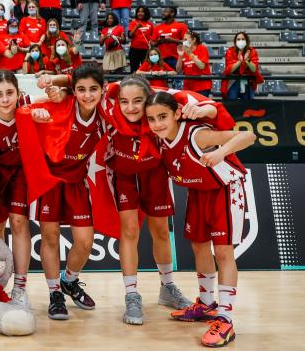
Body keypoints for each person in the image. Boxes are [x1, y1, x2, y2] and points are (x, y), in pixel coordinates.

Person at [145, 91, 255, 348]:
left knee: (224, 252)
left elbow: (247, 135)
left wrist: (221, 153)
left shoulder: (197, 135)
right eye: (151, 119)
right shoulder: (159, 140)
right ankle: (206, 305)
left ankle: (225, 319)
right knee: (198, 245)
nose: (157, 123)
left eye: (163, 116)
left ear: (176, 114)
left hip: (224, 189)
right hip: (198, 191)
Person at [0, 70, 67, 308]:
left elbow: (63, 99)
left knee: (19, 222)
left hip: (21, 171)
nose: (5, 99)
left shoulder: (28, 104)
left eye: (9, 92)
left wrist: (56, 94)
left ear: (18, 92)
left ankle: (20, 288)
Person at [102, 76, 198, 325]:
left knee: (161, 232)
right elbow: (80, 83)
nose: (130, 107)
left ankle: (167, 287)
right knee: (130, 231)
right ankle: (132, 295)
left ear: (148, 99)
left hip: (155, 173)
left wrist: (200, 108)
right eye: (124, 101)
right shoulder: (109, 108)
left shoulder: (158, 112)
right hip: (124, 177)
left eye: (137, 101)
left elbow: (193, 99)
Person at [26, 64, 104, 320]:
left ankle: (69, 280)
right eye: (81, 89)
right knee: (50, 238)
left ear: (102, 91)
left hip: (77, 182)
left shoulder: (106, 113)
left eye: (93, 89)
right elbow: (24, 109)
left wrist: (57, 79)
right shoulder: (61, 103)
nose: (88, 95)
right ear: (73, 91)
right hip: (51, 180)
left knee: (84, 241)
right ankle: (54, 294)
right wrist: (40, 105)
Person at [221, 31, 263, 100]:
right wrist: (239, 61)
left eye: (243, 39)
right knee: (232, 104)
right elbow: (229, 70)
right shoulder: (230, 51)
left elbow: (254, 69)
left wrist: (247, 60)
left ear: (246, 41)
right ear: (235, 41)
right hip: (233, 81)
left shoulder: (252, 51)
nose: (241, 41)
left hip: (248, 81)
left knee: (247, 106)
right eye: (238, 39)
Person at [176, 31, 211, 96]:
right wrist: (180, 57)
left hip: (202, 86)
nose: (184, 41)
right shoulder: (184, 52)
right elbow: (178, 70)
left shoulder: (202, 48)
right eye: (183, 39)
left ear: (194, 40)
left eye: (186, 39)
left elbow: (201, 66)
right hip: (188, 87)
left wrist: (189, 54)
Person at [128, 6, 153, 73]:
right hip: (134, 50)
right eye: (138, 12)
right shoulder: (133, 23)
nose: (140, 13)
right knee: (134, 70)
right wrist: (136, 27)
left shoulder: (150, 24)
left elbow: (153, 37)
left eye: (142, 12)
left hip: (146, 51)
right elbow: (130, 36)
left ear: (145, 13)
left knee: (145, 70)